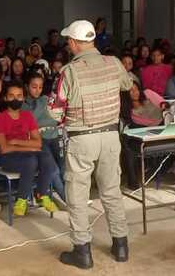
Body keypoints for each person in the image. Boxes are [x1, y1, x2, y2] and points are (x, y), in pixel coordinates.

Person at [49, 19, 131, 269]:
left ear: (74, 43)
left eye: (68, 41)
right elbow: (127, 85)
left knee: (78, 194)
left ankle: (82, 251)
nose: (67, 45)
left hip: (82, 139)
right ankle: (120, 246)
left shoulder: (69, 72)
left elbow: (54, 111)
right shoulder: (114, 63)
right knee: (111, 192)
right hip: (109, 136)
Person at [0, 82, 59, 217]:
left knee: (47, 158)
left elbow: (38, 143)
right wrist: (29, 145)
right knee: (31, 160)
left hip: (26, 154)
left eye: (19, 96)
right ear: (5, 98)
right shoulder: (0, 119)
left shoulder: (27, 116)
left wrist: (16, 142)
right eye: (11, 96)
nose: (16, 99)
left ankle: (41, 193)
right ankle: (21, 199)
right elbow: (4, 148)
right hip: (9, 159)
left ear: (23, 98)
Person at [22, 74, 66, 202]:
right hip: (38, 141)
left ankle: (73, 197)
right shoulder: (24, 104)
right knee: (54, 170)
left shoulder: (46, 99)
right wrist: (42, 107)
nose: (37, 90)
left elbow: (55, 119)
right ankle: (67, 200)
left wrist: (43, 124)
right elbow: (31, 120)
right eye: (34, 86)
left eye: (40, 87)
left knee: (65, 167)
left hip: (54, 136)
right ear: (27, 86)